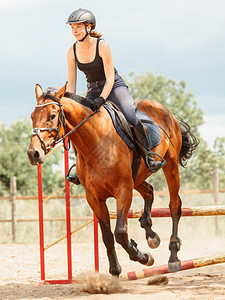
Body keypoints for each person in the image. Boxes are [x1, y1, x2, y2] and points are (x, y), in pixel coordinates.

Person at [65, 8, 162, 184]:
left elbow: (109, 78)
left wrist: (102, 99)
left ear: (89, 27)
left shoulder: (102, 46)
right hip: (93, 90)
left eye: (78, 27)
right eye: (72, 27)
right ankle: (79, 167)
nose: (75, 31)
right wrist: (70, 100)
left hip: (114, 87)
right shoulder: (72, 51)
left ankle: (148, 156)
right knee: (80, 124)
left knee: (131, 116)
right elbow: (71, 82)